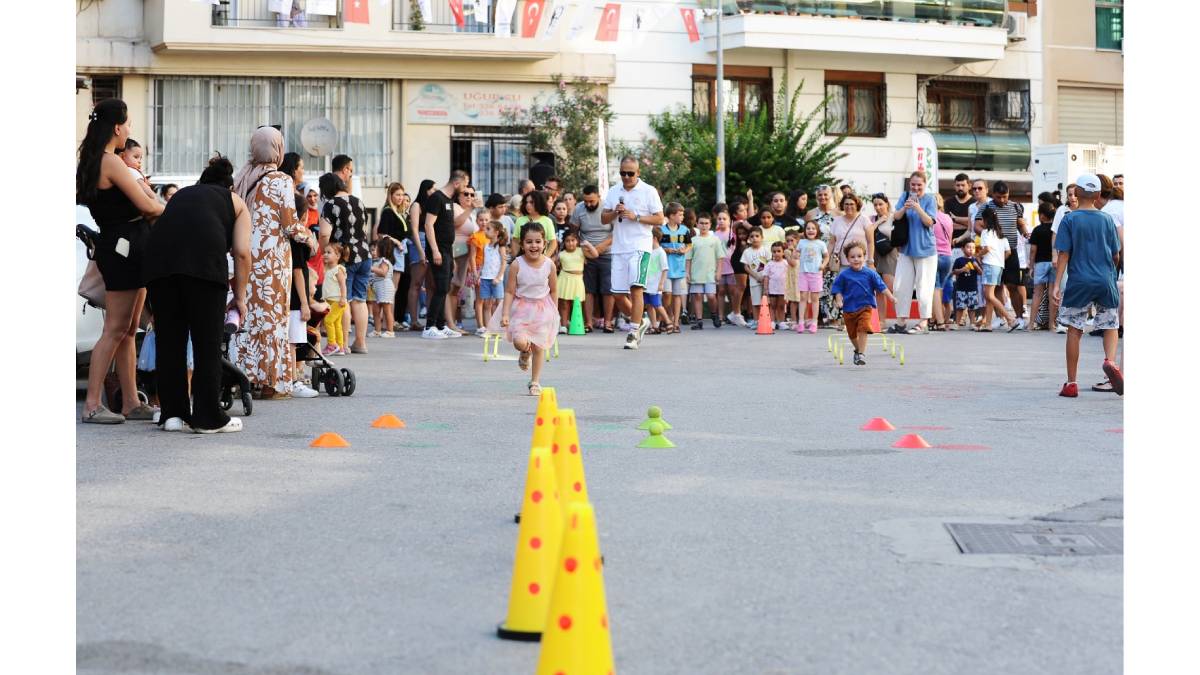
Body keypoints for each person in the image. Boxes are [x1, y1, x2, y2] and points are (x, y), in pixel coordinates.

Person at [141, 154, 250, 432]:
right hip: (204, 268)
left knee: (170, 342)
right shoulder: (235, 202)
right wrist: (240, 296)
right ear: (230, 186)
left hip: (160, 268)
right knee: (207, 343)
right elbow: (241, 253)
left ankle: (173, 415)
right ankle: (207, 417)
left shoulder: (180, 196)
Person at [77, 100, 166, 423]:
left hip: (127, 246)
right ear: (117, 127)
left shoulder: (92, 161)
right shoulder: (111, 162)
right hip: (124, 248)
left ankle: (130, 402)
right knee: (115, 329)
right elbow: (147, 205)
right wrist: (174, 208)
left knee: (129, 329)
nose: (129, 131)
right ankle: (91, 405)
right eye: (127, 125)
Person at [220, 127, 301, 400]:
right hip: (273, 261)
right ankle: (272, 383)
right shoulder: (281, 180)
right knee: (273, 319)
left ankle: (246, 376)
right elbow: (290, 224)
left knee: (249, 318)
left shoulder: (243, 177)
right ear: (276, 148)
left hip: (244, 257)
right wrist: (310, 240)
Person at [1053, 174, 1123, 398]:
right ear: (1097, 195)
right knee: (1110, 324)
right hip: (1105, 280)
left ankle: (1072, 382)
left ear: (1078, 193)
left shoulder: (1069, 219)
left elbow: (1063, 254)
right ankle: (1110, 361)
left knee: (1074, 330)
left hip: (1079, 281)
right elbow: (1116, 255)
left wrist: (1056, 285)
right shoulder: (1107, 219)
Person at [602, 156, 665, 350]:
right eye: (623, 173)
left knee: (636, 288)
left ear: (638, 173)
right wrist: (615, 213)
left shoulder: (648, 191)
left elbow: (660, 219)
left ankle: (633, 331)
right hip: (619, 247)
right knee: (618, 294)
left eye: (630, 173)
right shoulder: (614, 191)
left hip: (640, 246)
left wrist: (636, 216)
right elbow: (604, 219)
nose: (626, 177)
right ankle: (642, 320)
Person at [495, 223, 559, 396]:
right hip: (521, 308)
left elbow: (553, 290)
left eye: (538, 241)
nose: (534, 246)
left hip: (542, 309)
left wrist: (555, 312)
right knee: (519, 341)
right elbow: (509, 291)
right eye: (529, 242)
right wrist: (506, 313)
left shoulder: (549, 265)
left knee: (539, 347)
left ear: (544, 243)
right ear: (522, 244)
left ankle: (535, 382)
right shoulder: (517, 264)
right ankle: (525, 351)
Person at [318, 171, 370, 352]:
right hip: (364, 255)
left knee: (343, 300)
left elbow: (324, 233)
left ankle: (344, 345)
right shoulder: (358, 201)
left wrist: (326, 252)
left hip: (344, 257)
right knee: (360, 300)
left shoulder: (330, 204)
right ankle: (361, 343)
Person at [422, 170, 473, 339]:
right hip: (438, 250)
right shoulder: (436, 198)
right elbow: (429, 225)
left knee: (446, 287)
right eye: (465, 186)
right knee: (442, 287)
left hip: (447, 250)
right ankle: (429, 326)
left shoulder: (449, 201)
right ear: (457, 183)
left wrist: (450, 255)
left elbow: (450, 226)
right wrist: (435, 250)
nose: (466, 190)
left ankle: (440, 325)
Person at [831, 241, 896, 366]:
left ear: (864, 257)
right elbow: (837, 289)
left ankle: (861, 354)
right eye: (853, 257)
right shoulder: (844, 274)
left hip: (866, 306)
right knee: (852, 334)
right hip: (849, 308)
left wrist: (891, 297)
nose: (856, 259)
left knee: (863, 328)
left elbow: (881, 286)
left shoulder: (870, 273)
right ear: (847, 259)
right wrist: (839, 300)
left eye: (859, 256)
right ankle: (857, 349)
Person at [889, 172, 938, 334]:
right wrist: (905, 207)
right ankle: (901, 322)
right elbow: (895, 216)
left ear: (925, 184)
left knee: (924, 287)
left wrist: (917, 208)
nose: (916, 188)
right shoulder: (904, 196)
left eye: (919, 185)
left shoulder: (930, 199)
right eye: (913, 184)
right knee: (900, 286)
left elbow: (930, 222)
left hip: (925, 250)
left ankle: (923, 322)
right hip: (906, 249)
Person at [573, 185, 614, 333]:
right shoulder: (578, 209)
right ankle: (588, 322)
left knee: (608, 289)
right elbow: (574, 231)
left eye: (591, 201)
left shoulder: (608, 208)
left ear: (598, 197)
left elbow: (615, 234)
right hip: (586, 256)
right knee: (588, 289)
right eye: (586, 201)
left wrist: (598, 249)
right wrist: (583, 250)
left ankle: (608, 322)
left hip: (607, 254)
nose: (588, 204)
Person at [286, 217, 320, 399]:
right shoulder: (296, 237)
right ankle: (292, 380)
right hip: (294, 298)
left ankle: (291, 378)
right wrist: (305, 303)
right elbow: (298, 270)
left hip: (286, 295)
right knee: (292, 340)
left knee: (290, 340)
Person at [990, 181, 1031, 329]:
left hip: (1011, 251)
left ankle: (1019, 318)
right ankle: (1000, 318)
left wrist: (1025, 231)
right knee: (996, 286)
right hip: (994, 252)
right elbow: (978, 226)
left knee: (1013, 285)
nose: (1002, 200)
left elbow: (1020, 224)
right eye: (998, 197)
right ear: (992, 194)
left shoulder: (1015, 206)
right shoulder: (987, 207)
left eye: (1005, 197)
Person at [978, 207, 1019, 332]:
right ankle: (988, 324)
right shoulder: (1001, 234)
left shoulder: (986, 232)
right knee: (991, 296)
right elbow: (1008, 252)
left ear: (985, 220)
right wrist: (999, 259)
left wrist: (977, 255)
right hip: (999, 266)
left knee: (989, 295)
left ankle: (1010, 319)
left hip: (989, 265)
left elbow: (987, 248)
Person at [377, 182, 411, 330]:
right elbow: (381, 233)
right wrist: (396, 241)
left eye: (402, 194)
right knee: (391, 288)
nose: (400, 197)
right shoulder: (388, 212)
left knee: (393, 288)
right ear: (390, 195)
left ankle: (391, 320)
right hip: (393, 252)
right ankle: (388, 321)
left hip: (399, 251)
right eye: (397, 195)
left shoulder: (397, 211)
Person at [447, 185, 480, 334]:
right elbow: (456, 223)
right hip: (454, 251)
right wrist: (471, 208)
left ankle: (452, 323)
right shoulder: (455, 207)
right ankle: (449, 324)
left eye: (472, 195)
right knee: (450, 288)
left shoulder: (472, 213)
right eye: (465, 193)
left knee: (456, 289)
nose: (469, 197)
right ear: (458, 196)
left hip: (465, 255)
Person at [406, 179, 437, 331]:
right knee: (417, 283)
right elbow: (414, 230)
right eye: (432, 189)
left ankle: (430, 320)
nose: (434, 191)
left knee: (431, 284)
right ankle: (413, 320)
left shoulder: (431, 206)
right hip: (420, 243)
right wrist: (420, 252)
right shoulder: (416, 205)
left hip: (431, 243)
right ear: (426, 190)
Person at [685, 212, 724, 330]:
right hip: (696, 273)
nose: (704, 226)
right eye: (701, 223)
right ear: (697, 224)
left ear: (710, 225)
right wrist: (687, 272)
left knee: (711, 296)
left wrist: (718, 272)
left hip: (710, 273)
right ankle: (699, 320)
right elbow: (688, 258)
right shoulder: (692, 240)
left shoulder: (715, 240)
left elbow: (720, 257)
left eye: (706, 223)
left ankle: (714, 314)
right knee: (697, 295)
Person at [865, 193, 898, 332]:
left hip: (891, 254)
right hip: (875, 254)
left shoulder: (894, 217)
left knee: (889, 288)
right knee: (878, 289)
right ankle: (881, 320)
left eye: (881, 204)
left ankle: (900, 318)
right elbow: (868, 232)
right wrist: (878, 221)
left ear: (887, 204)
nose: (878, 207)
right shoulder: (872, 219)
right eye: (875, 205)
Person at [660, 203, 691, 331]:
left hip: (679, 268)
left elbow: (689, 244)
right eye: (680, 214)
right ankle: (668, 317)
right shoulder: (662, 230)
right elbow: (657, 245)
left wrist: (685, 249)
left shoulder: (685, 230)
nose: (682, 217)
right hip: (666, 268)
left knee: (677, 295)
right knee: (667, 294)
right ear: (671, 216)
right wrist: (665, 249)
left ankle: (676, 322)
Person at [1027, 202, 1058, 332]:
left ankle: (1031, 324)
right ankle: (1051, 324)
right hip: (1054, 263)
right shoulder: (1056, 230)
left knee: (1037, 294)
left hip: (1040, 264)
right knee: (1052, 294)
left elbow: (1033, 250)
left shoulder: (1037, 230)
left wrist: (1031, 266)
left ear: (1042, 216)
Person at [795, 221, 830, 334]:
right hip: (803, 273)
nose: (811, 230)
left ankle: (814, 322)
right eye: (808, 228)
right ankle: (801, 322)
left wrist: (823, 265)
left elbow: (826, 257)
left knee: (815, 298)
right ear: (805, 231)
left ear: (817, 231)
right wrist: (794, 254)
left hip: (816, 274)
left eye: (813, 228)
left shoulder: (821, 243)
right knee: (803, 297)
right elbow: (796, 253)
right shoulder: (801, 242)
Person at [477, 220, 509, 332]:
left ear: (496, 232)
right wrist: (479, 274)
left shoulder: (500, 247)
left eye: (488, 229)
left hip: (496, 280)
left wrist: (498, 277)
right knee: (487, 304)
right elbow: (484, 261)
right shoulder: (486, 246)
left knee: (499, 303)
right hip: (485, 278)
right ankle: (489, 329)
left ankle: (501, 328)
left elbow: (504, 263)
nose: (485, 231)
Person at [931, 193, 955, 330]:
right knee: (939, 288)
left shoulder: (929, 217)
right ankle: (934, 319)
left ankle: (939, 321)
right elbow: (950, 239)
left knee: (934, 289)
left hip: (934, 255)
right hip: (947, 256)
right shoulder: (947, 218)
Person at [555, 230, 587, 333]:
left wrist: (587, 245)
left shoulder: (581, 251)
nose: (570, 243)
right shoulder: (561, 254)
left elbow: (595, 254)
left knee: (577, 303)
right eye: (567, 241)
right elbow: (554, 264)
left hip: (577, 279)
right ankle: (563, 325)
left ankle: (576, 323)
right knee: (564, 303)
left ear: (577, 241)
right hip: (564, 278)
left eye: (573, 240)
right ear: (564, 243)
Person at [321, 244, 349, 355]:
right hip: (330, 301)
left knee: (328, 320)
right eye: (325, 252)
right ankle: (340, 347)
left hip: (338, 301)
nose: (325, 254)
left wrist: (343, 298)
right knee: (337, 324)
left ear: (337, 256)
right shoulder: (327, 269)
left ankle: (332, 344)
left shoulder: (338, 269)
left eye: (329, 252)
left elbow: (343, 285)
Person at [740, 226, 770, 329]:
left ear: (762, 237)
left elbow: (769, 264)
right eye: (752, 236)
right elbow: (745, 267)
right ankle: (757, 320)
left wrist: (764, 277)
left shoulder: (766, 250)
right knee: (756, 302)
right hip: (754, 281)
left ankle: (767, 320)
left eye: (757, 236)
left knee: (766, 302)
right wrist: (756, 276)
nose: (754, 238)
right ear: (749, 238)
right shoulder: (747, 252)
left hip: (766, 281)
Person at [712, 205, 737, 324]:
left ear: (729, 221)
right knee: (720, 291)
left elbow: (734, 249)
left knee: (732, 291)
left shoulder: (732, 234)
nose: (721, 221)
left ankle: (734, 314)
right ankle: (720, 315)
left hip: (731, 267)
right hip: (719, 268)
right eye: (719, 219)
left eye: (724, 219)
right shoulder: (714, 235)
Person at [643, 229, 671, 333]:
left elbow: (665, 269)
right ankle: (654, 326)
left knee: (657, 304)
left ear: (654, 238)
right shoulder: (648, 251)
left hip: (655, 284)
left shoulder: (660, 252)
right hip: (647, 284)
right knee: (649, 305)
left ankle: (668, 322)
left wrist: (661, 283)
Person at [368, 238, 397, 339]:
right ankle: (377, 330)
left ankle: (390, 331)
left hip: (385, 286)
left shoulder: (384, 261)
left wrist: (370, 268)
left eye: (377, 248)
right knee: (376, 310)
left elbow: (383, 272)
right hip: (377, 287)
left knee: (386, 309)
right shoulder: (378, 261)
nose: (375, 251)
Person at [514, 190, 554, 260]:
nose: (528, 205)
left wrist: (545, 258)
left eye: (531, 202)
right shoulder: (520, 220)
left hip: (541, 261)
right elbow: (515, 241)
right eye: (526, 202)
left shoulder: (547, 221)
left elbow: (553, 242)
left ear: (539, 203)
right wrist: (517, 258)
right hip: (523, 260)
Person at [951, 241, 983, 330]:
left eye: (973, 248)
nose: (971, 249)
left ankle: (972, 323)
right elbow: (954, 272)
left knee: (972, 308)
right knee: (960, 307)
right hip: (961, 288)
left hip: (972, 288)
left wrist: (976, 266)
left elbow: (981, 273)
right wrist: (962, 270)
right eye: (968, 247)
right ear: (963, 248)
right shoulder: (959, 260)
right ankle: (957, 323)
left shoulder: (975, 260)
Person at [727, 223, 751, 327]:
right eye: (739, 234)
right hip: (738, 260)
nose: (741, 236)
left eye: (744, 233)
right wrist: (742, 222)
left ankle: (734, 313)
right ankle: (736, 313)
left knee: (744, 287)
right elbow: (734, 226)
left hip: (746, 260)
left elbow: (754, 229)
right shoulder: (740, 243)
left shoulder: (751, 240)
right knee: (741, 286)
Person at [763, 242, 790, 328]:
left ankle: (781, 321)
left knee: (781, 306)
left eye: (779, 251)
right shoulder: (769, 264)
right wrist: (765, 289)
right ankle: (772, 321)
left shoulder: (786, 263)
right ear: (771, 252)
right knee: (773, 305)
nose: (776, 253)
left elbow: (790, 275)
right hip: (772, 289)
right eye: (774, 251)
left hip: (783, 289)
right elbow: (766, 277)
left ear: (783, 252)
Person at [945, 173, 974, 253]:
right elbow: (949, 224)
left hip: (971, 248)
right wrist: (968, 223)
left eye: (963, 185)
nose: (960, 188)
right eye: (958, 185)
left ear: (969, 186)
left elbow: (976, 224)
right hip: (952, 246)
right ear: (954, 186)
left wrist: (956, 219)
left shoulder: (974, 203)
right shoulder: (948, 202)